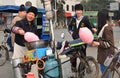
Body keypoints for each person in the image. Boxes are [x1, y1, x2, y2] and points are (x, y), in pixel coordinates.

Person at [68, 3, 97, 76]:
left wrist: (91, 33)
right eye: (77, 10)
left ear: (82, 11)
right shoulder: (73, 19)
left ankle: (82, 73)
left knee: (83, 57)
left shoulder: (85, 19)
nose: (78, 12)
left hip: (83, 41)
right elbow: (69, 27)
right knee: (73, 55)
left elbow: (91, 27)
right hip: (75, 41)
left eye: (80, 10)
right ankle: (74, 70)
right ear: (75, 11)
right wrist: (71, 32)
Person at [92, 9, 115, 78]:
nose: (97, 19)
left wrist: (98, 43)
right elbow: (102, 36)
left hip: (106, 56)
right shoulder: (104, 26)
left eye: (98, 17)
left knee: (105, 74)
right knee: (105, 73)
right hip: (104, 55)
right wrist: (96, 31)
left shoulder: (107, 28)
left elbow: (109, 43)